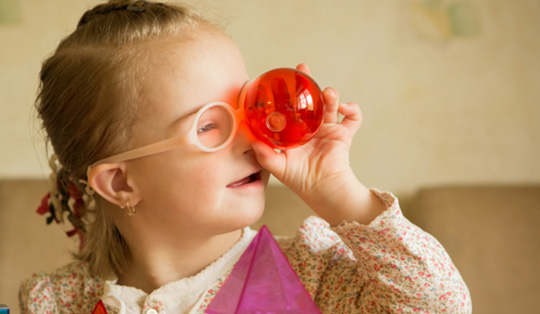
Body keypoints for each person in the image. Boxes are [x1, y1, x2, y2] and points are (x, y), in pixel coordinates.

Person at [19, 1, 472, 313]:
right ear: (120, 183)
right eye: (211, 124)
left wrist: (337, 191)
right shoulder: (53, 302)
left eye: (250, 108)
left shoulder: (311, 274)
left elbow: (440, 305)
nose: (250, 141)